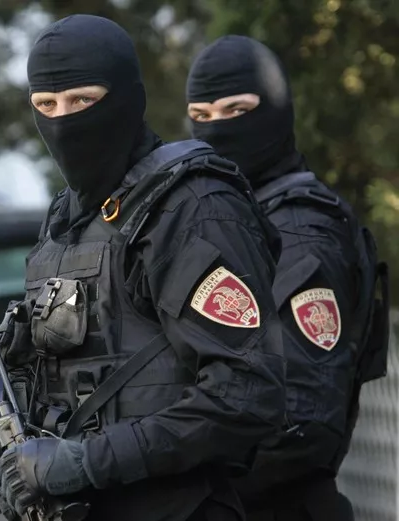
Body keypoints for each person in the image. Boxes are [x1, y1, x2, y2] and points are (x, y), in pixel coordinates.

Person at [0, 15, 288, 521]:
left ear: (126, 97)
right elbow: (42, 377)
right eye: (46, 105)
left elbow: (248, 393)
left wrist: (88, 463)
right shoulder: (67, 219)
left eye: (82, 100)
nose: (63, 121)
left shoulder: (191, 208)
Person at [185, 35, 390, 521]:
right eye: (202, 115)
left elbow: (301, 421)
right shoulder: (238, 218)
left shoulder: (300, 231)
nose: (216, 130)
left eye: (237, 110)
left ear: (276, 110)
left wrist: (186, 494)